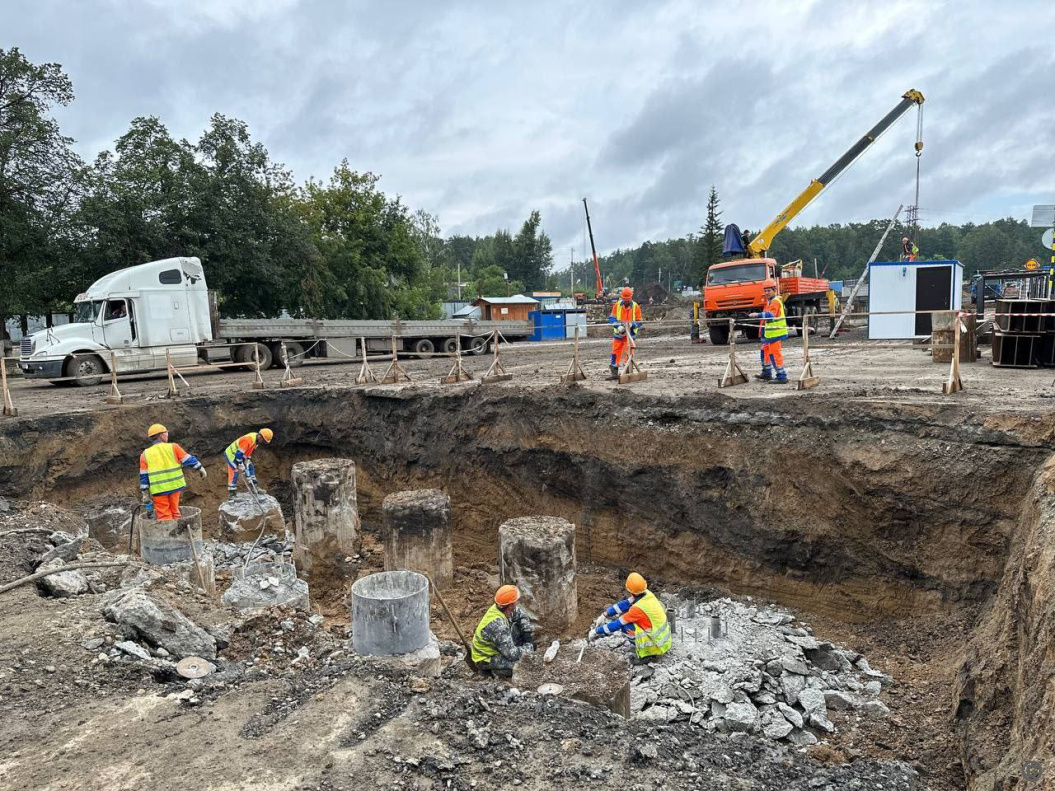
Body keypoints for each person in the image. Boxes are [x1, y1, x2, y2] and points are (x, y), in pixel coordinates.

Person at [589, 572, 672, 660]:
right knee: (627, 615)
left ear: (630, 590)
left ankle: (648, 653)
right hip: (664, 639)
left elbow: (617, 624)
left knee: (625, 627)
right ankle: (650, 649)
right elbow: (625, 604)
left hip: (657, 644)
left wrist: (597, 631)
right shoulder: (647, 594)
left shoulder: (637, 609)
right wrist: (605, 615)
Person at [139, 424, 206, 521]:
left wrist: (145, 493)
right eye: (166, 432)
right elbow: (188, 460)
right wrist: (200, 468)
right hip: (175, 486)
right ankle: (178, 533)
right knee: (175, 511)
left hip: (159, 490)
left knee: (164, 515)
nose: (167, 434)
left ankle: (168, 534)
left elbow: (144, 477)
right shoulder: (173, 447)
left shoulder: (145, 454)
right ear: (161, 435)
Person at [470, 585, 535, 677]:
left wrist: (527, 633)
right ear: (511, 605)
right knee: (522, 666)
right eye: (516, 601)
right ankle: (494, 672)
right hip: (485, 658)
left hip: (495, 647)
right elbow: (512, 654)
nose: (517, 602)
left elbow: (521, 615)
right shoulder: (498, 626)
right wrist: (529, 647)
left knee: (517, 628)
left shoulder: (501, 608)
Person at [749, 280, 788, 384]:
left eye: (768, 290)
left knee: (775, 355)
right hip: (768, 334)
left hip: (776, 334)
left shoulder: (775, 301)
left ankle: (781, 376)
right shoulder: (769, 301)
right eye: (765, 291)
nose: (766, 293)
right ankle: (767, 373)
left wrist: (757, 314)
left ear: (774, 290)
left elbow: (771, 315)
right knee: (765, 352)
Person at [224, 428, 274, 497]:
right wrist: (241, 464)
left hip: (240, 455)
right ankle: (232, 494)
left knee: (250, 467)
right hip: (231, 454)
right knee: (234, 471)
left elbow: (248, 450)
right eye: (263, 440)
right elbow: (238, 454)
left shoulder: (256, 441)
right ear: (260, 436)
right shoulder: (248, 440)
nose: (263, 442)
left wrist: (247, 459)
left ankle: (254, 487)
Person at [608, 286, 642, 379]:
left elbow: (640, 321)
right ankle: (614, 371)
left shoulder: (636, 306)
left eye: (628, 299)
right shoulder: (617, 305)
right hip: (619, 333)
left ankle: (628, 371)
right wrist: (617, 326)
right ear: (622, 297)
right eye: (624, 299)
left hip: (630, 334)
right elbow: (611, 318)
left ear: (631, 297)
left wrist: (633, 325)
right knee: (615, 351)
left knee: (629, 352)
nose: (626, 301)